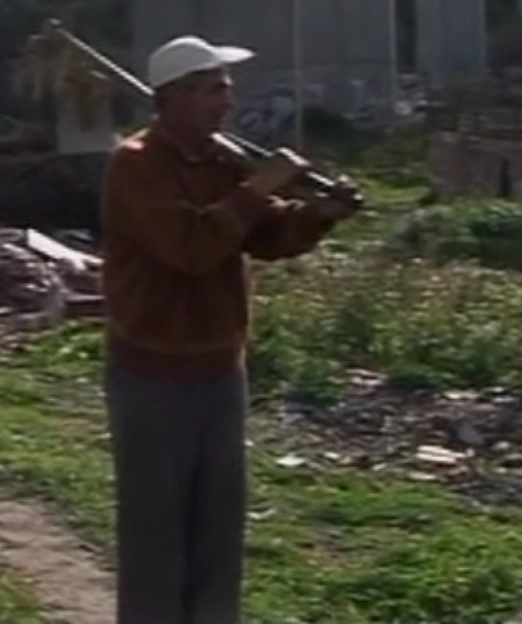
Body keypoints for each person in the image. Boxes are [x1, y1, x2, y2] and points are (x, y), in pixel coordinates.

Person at [99, 35, 361, 624]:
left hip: (219, 371)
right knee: (155, 531)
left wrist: (317, 215)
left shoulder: (221, 160)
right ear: (177, 96)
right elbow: (190, 247)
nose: (228, 101)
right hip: (152, 374)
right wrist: (258, 188)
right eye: (215, 89)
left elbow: (264, 235)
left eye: (226, 88)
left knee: (219, 529)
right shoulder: (136, 165)